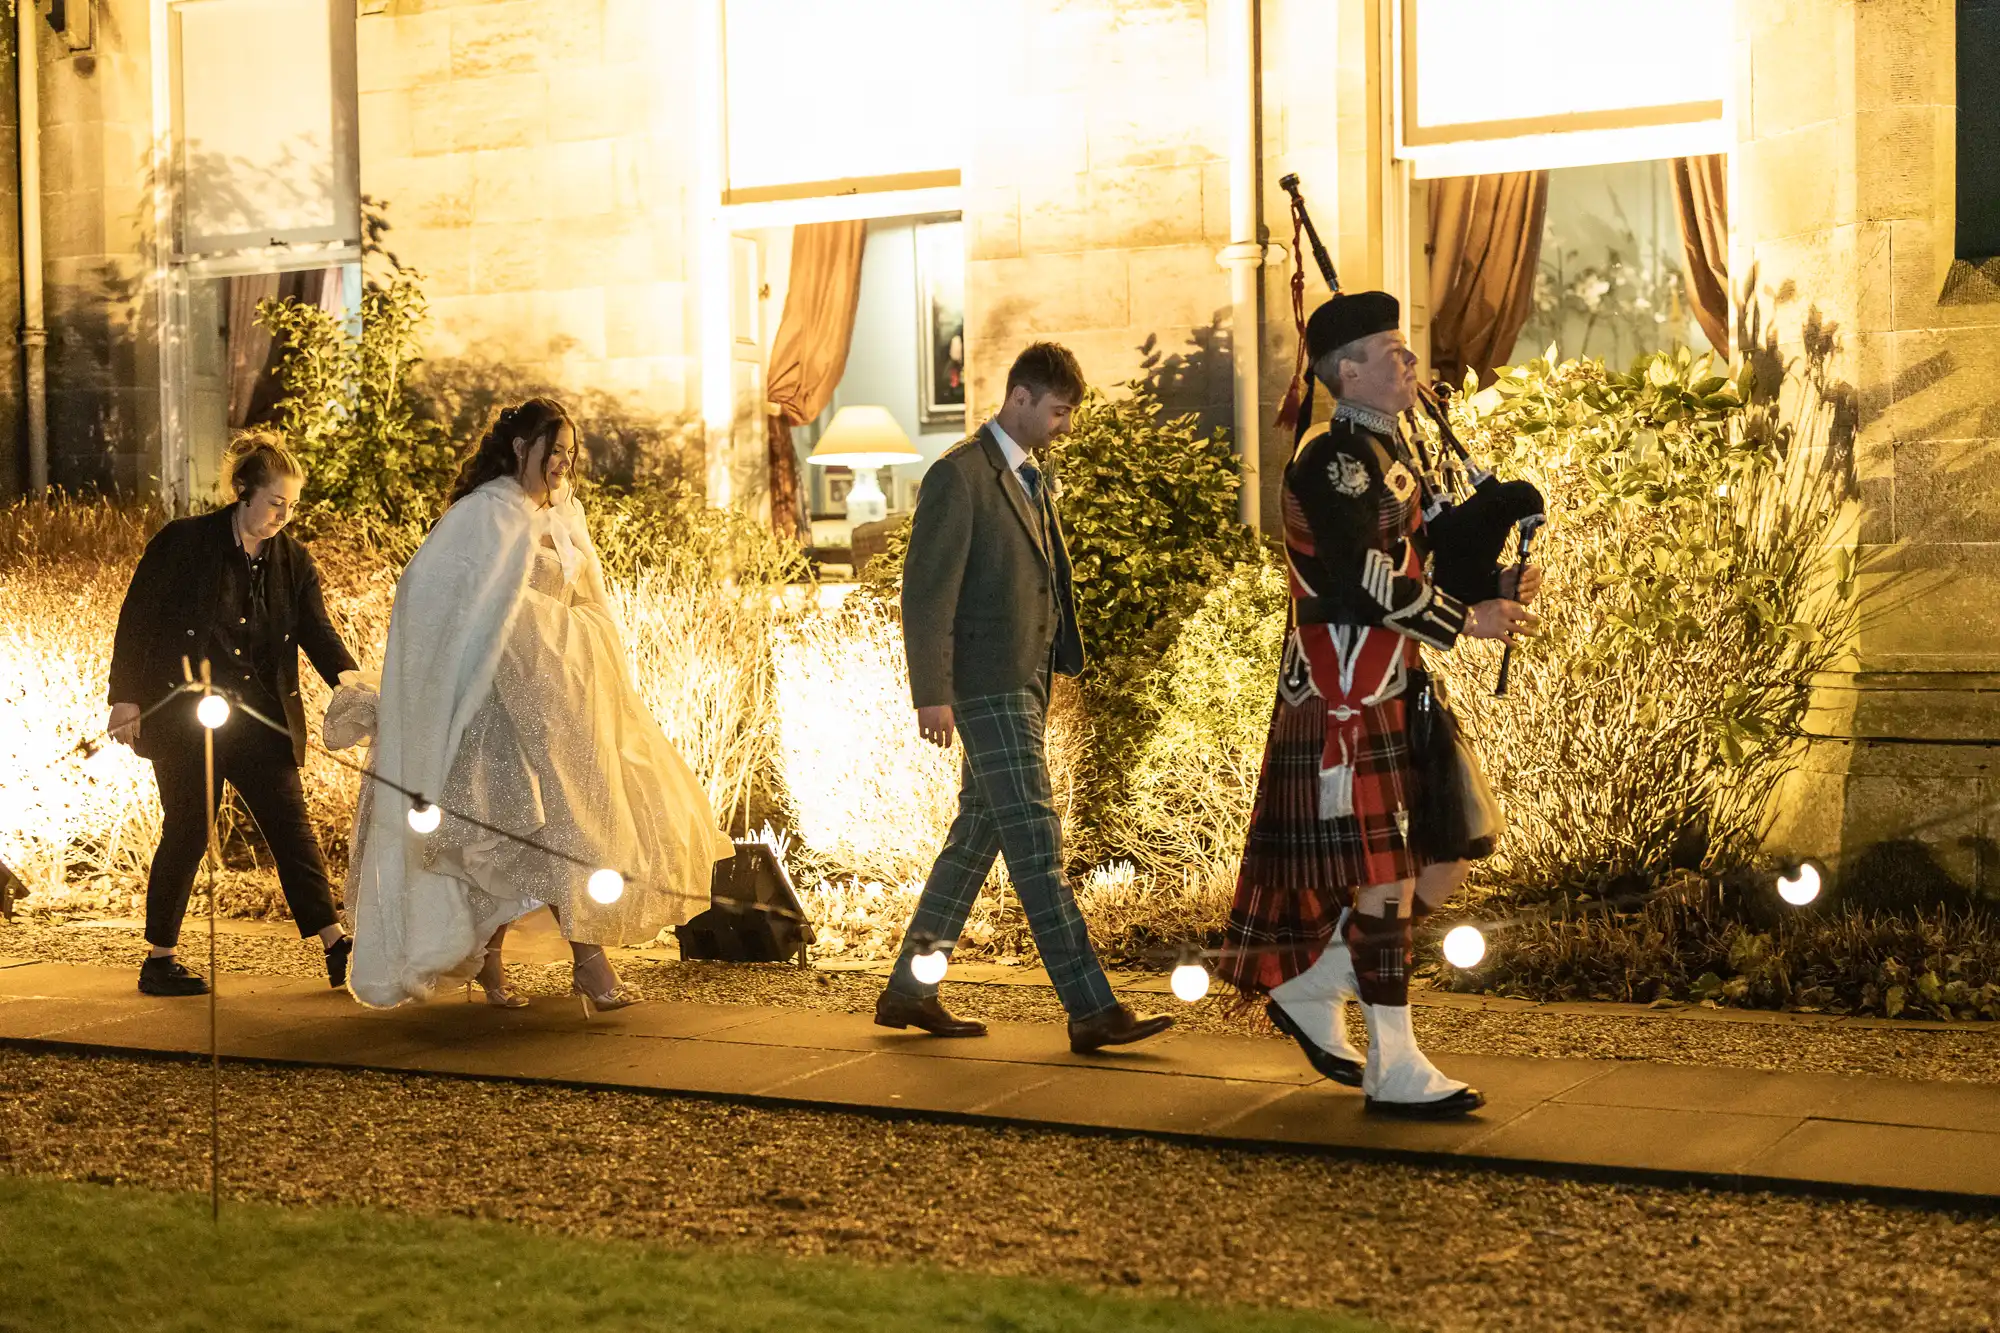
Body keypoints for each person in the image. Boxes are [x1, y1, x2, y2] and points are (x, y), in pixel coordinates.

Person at [1222, 292, 1542, 1118]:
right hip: (1342, 690)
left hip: (1393, 682)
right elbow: (1360, 576)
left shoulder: (1388, 448)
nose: (1409, 362)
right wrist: (1464, 620)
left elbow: (1416, 556)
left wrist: (1495, 582)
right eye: (1390, 351)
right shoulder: (1332, 461)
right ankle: (1393, 1062)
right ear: (1347, 370)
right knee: (1385, 882)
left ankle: (1318, 980)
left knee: (1448, 851)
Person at [345, 397, 733, 1015]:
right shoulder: (482, 516)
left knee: (562, 829)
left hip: (564, 706)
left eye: (571, 455)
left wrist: (586, 648)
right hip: (496, 714)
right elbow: (446, 604)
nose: (563, 465)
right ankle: (579, 961)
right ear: (522, 447)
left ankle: (519, 959)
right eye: (555, 451)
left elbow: (588, 601)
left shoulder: (562, 516)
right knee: (519, 836)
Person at [881, 342, 1174, 1054]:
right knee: (1037, 844)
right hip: (985, 684)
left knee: (976, 837)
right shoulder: (960, 477)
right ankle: (1091, 1007)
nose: (1065, 425)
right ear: (1019, 398)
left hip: (1023, 681)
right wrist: (933, 693)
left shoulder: (1030, 476)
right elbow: (925, 592)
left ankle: (910, 990)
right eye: (1059, 411)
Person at [106, 429, 360, 996]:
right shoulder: (183, 542)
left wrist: (356, 687)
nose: (283, 517)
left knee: (291, 829)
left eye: (292, 507)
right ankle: (160, 957)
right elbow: (138, 619)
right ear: (243, 491)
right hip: (185, 716)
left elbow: (317, 632)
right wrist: (125, 697)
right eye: (275, 503)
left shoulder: (292, 560)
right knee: (189, 827)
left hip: (261, 717)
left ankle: (336, 944)